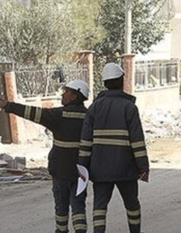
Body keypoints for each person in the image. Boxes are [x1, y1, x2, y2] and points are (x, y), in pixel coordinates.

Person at [0, 79, 91, 233]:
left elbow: (32, 113)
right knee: (78, 206)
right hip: (81, 172)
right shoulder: (90, 117)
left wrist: (9, 106)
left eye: (67, 91)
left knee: (61, 207)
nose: (63, 94)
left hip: (60, 170)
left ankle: (61, 231)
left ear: (74, 96)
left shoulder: (58, 115)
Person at [78, 63, 149, 233]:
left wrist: (82, 167)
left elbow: (85, 142)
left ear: (105, 82)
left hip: (100, 169)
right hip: (126, 168)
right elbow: (137, 141)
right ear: (121, 81)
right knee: (132, 204)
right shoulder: (129, 107)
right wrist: (143, 167)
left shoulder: (94, 108)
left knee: (100, 206)